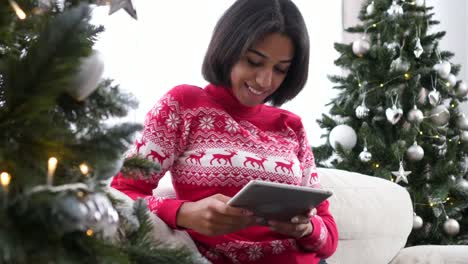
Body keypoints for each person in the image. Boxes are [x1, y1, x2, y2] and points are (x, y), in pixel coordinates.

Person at [111, 0, 338, 263]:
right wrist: (184, 213)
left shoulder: (291, 126)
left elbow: (329, 238)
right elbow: (122, 194)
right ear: (228, 48)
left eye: (280, 69)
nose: (265, 81)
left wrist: (307, 228)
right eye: (254, 61)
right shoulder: (183, 106)